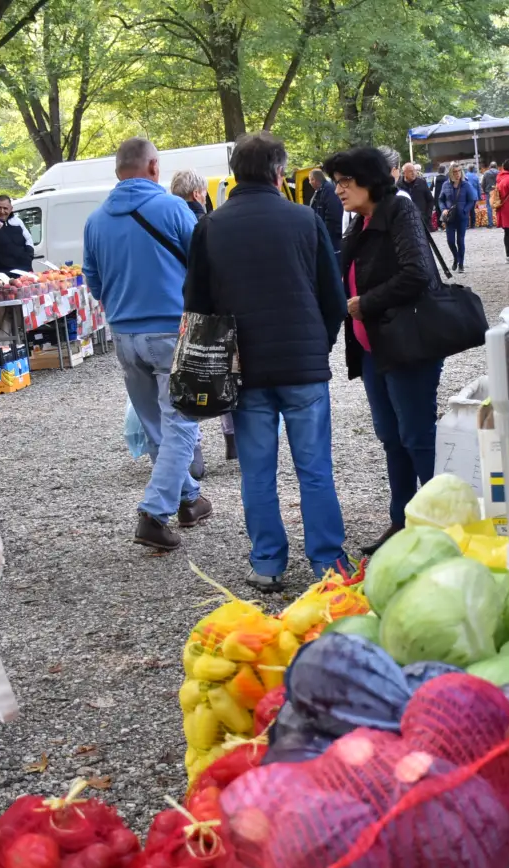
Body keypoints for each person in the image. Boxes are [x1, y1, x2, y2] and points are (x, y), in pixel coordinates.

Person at [184, 132, 349, 592]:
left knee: (257, 472)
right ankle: (328, 562)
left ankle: (268, 563)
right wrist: (322, 343)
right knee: (315, 469)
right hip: (303, 366)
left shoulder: (211, 227)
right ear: (279, 172)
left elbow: (196, 305)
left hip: (246, 369)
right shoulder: (303, 219)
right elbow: (333, 296)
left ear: (236, 173)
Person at [83, 137, 211, 551]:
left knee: (157, 425)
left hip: (124, 336)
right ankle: (154, 513)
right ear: (154, 168)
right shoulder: (174, 208)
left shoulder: (96, 220)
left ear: (118, 170)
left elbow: (94, 282)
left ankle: (189, 500)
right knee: (182, 424)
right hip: (171, 331)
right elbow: (203, 265)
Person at [324, 146, 441, 556]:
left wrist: (364, 302)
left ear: (369, 179)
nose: (338, 190)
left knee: (416, 434)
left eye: (345, 182)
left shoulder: (399, 210)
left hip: (408, 345)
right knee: (391, 437)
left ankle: (439, 525)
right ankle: (402, 520)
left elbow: (418, 273)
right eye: (336, 183)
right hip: (374, 350)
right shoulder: (360, 221)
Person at [437, 163, 475, 273]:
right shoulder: (445, 185)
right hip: (450, 217)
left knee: (460, 241)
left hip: (462, 217)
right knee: (450, 241)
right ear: (450, 173)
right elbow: (441, 200)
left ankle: (461, 264)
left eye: (459, 171)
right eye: (455, 172)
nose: (457, 173)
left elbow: (471, 200)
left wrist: (465, 210)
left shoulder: (466, 185)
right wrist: (443, 208)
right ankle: (455, 258)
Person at [309, 167, 344, 254]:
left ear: (315, 179)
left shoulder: (329, 190)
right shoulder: (320, 191)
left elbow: (333, 215)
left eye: (310, 180)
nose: (309, 182)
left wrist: (325, 234)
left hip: (332, 235)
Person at [398, 162, 433, 227]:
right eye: (410, 171)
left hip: (421, 220)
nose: (413, 173)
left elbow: (430, 200)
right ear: (404, 173)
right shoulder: (398, 186)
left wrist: (427, 216)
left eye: (414, 170)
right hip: (405, 222)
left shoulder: (421, 182)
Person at [482, 161, 499, 227]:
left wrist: (484, 190)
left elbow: (483, 183)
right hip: (497, 191)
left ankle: (490, 223)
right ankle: (499, 222)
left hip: (488, 192)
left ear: (490, 166)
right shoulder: (499, 173)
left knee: (489, 207)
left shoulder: (486, 173)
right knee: (498, 207)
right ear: (496, 166)